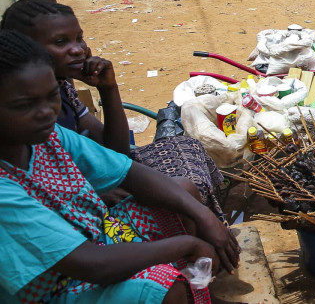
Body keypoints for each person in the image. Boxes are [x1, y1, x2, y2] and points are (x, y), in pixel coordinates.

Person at [0, 30, 240, 304]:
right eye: (24, 105)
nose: (46, 111)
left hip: (97, 238)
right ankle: (186, 291)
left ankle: (197, 290)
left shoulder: (49, 136)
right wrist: (189, 244)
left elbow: (129, 172)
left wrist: (204, 216)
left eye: (51, 96)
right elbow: (94, 265)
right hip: (57, 288)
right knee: (164, 286)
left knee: (183, 191)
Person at [1, 0, 230, 220]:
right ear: (27, 49)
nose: (78, 50)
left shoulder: (63, 91)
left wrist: (108, 89)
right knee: (185, 188)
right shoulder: (31, 118)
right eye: (61, 42)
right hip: (79, 200)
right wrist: (97, 192)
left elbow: (116, 150)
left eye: (79, 39)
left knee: (188, 147)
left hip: (98, 172)